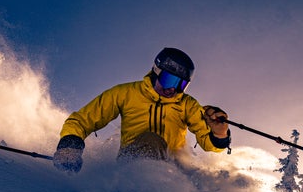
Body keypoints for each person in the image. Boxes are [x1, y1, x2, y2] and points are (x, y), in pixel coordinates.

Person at [52, 47, 230, 172]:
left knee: (203, 176)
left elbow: (210, 145)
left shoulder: (187, 104)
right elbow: (82, 120)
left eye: (181, 85)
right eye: (169, 80)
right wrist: (70, 145)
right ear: (156, 71)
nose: (172, 89)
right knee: (151, 139)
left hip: (173, 170)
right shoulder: (126, 93)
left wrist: (220, 134)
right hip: (134, 168)